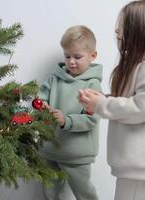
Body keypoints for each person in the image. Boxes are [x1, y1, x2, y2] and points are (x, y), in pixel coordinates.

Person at [78, 1, 145, 200]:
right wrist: (102, 100)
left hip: (141, 163)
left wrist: (102, 104)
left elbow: (143, 107)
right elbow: (132, 102)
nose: (116, 29)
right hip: (135, 164)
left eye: (123, 24)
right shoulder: (139, 67)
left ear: (140, 30)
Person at [40, 25, 102, 200]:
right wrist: (41, 105)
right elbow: (40, 97)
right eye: (67, 56)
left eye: (77, 56)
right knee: (50, 192)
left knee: (84, 193)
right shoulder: (54, 78)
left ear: (93, 56)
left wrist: (66, 120)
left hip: (77, 153)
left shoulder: (92, 85)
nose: (71, 61)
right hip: (50, 149)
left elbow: (91, 119)